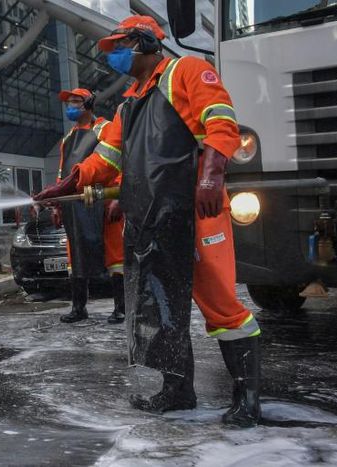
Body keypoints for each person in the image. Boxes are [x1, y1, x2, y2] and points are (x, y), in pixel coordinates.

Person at [34, 16, 262, 427]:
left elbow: (221, 123)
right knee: (161, 306)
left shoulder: (185, 71)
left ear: (142, 42)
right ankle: (177, 392)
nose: (114, 57)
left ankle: (247, 397)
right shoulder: (129, 103)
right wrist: (67, 182)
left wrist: (211, 176)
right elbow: (107, 158)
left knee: (220, 305)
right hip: (152, 218)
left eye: (119, 47)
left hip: (195, 213)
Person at [52, 88, 125, 325]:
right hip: (76, 204)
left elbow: (121, 160)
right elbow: (63, 176)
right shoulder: (67, 139)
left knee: (115, 254)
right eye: (68, 103)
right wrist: (56, 205)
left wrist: (118, 197)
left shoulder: (105, 128)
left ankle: (121, 308)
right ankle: (79, 308)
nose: (70, 107)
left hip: (105, 199)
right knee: (76, 253)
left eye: (75, 102)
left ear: (89, 104)